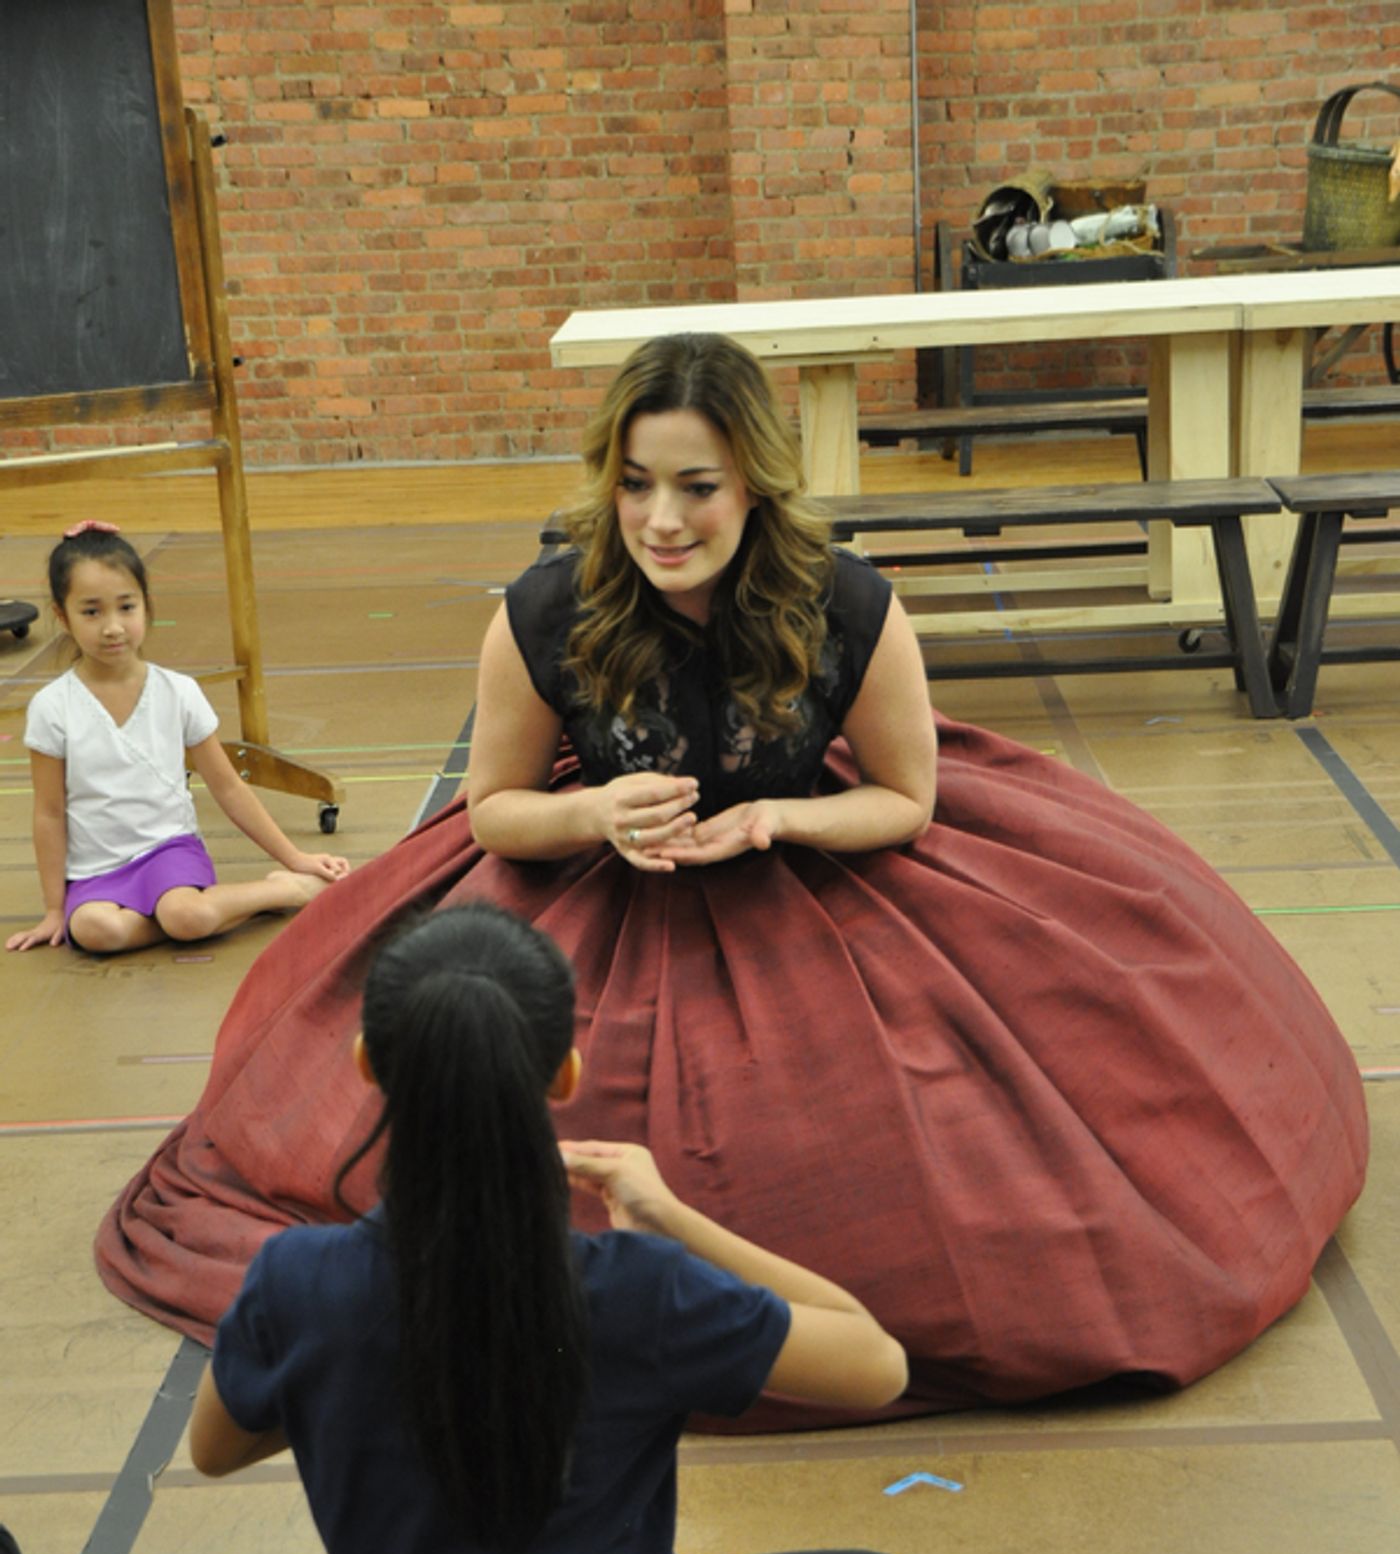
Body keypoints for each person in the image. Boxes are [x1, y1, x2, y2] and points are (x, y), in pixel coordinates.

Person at [98, 333, 1367, 1428]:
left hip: (812, 878)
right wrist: (593, 806)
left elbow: (906, 799)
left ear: (753, 477)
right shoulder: (543, 609)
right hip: (594, 900)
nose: (661, 520)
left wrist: (777, 820)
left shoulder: (846, 603)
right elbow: (491, 810)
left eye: (696, 487)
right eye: (635, 483)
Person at [188, 903, 1037, 1554]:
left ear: (368, 1063)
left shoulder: (294, 1283)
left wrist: (349, 1373)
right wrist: (671, 1215)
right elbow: (876, 1359)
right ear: (564, 1074)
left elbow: (214, 1447)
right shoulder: (636, 1292)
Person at [6, 522, 349, 956]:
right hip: (96, 867)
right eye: (92, 612)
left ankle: (282, 890)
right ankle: (196, 912)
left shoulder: (178, 692)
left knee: (187, 915)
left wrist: (294, 859)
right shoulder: (52, 707)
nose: (112, 627)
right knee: (93, 931)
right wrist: (55, 909)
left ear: (146, 607)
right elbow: (50, 814)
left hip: (169, 850)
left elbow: (227, 786)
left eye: (125, 607)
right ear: (62, 616)